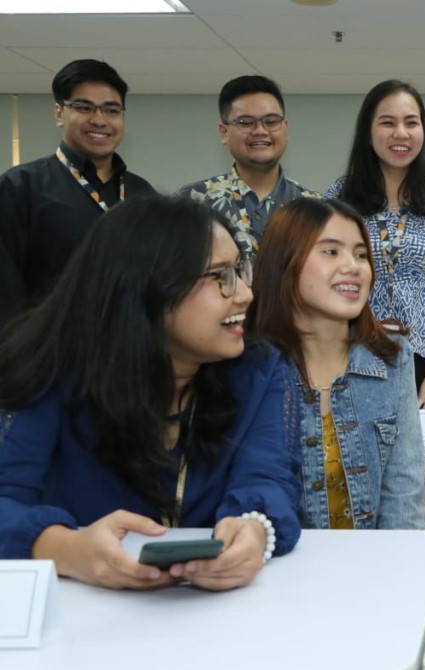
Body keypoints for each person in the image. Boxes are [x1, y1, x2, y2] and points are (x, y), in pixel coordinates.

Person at [0, 194, 300, 590]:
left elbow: (269, 478)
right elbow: (6, 496)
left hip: (215, 611)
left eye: (241, 271)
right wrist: (68, 550)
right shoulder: (50, 369)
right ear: (146, 288)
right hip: (81, 608)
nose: (245, 293)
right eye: (220, 276)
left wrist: (254, 530)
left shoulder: (258, 370)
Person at [250, 198, 425, 529]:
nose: (353, 266)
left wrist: (400, 560)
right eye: (331, 251)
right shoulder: (252, 366)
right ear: (285, 262)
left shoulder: (392, 356)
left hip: (375, 559)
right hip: (282, 558)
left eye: (361, 255)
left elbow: (403, 499)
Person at [324, 79, 425, 418]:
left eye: (411, 123)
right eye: (387, 122)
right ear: (368, 131)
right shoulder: (339, 199)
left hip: (423, 355)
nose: (400, 133)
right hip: (352, 350)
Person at [0, 58, 155, 329]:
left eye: (112, 110)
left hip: (132, 343)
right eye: (84, 108)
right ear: (59, 113)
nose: (99, 120)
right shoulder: (20, 187)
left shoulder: (142, 194)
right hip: (49, 347)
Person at [179, 75, 319, 258]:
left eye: (271, 122)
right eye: (245, 123)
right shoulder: (193, 201)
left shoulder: (315, 206)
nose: (260, 131)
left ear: (285, 128)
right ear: (224, 132)